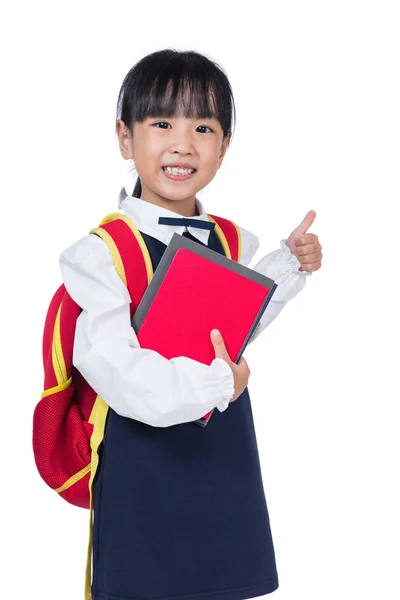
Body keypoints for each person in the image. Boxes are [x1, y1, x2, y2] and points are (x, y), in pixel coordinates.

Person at [59, 48, 322, 600]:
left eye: (203, 126)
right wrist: (217, 384)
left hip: (220, 450)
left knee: (222, 584)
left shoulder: (228, 239)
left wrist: (286, 264)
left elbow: (232, 327)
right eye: (161, 123)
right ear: (125, 138)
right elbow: (116, 369)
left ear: (223, 147)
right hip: (141, 459)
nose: (182, 143)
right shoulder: (104, 253)